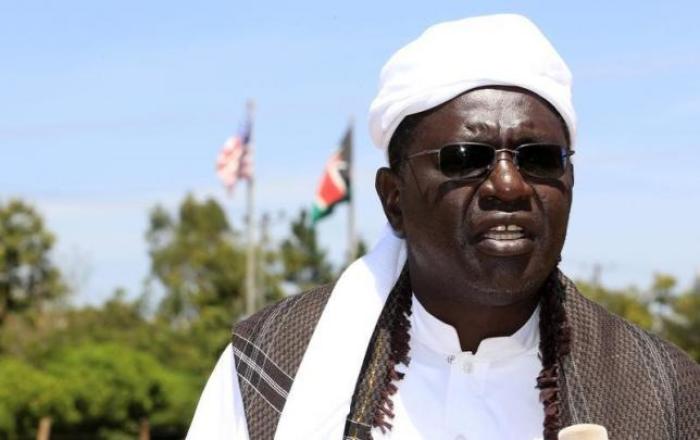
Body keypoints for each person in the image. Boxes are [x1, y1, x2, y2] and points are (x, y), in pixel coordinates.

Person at [187, 14, 700, 440]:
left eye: (539, 158)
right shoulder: (271, 364)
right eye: (464, 158)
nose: (508, 184)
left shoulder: (664, 391)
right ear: (394, 199)